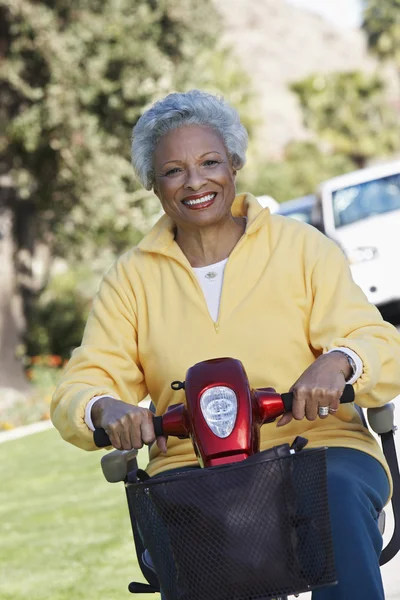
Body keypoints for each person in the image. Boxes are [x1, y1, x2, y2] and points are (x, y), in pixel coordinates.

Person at [51, 89, 400, 600]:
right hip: (191, 470)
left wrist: (342, 363)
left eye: (209, 162)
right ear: (153, 183)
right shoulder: (130, 279)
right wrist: (103, 408)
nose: (195, 182)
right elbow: (80, 386)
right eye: (173, 170)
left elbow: (378, 340)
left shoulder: (301, 247)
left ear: (234, 165)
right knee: (193, 533)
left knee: (334, 495)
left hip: (319, 449)